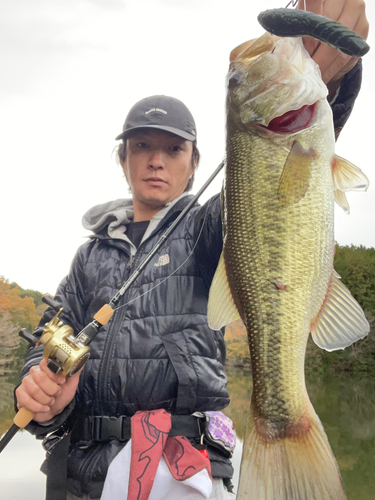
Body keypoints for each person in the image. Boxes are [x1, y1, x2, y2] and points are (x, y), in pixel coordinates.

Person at [15, 1, 369, 498]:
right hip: (79, 475)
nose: (157, 160)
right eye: (142, 146)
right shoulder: (88, 257)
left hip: (177, 470)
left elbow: (274, 198)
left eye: (173, 148)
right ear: (123, 158)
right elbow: (51, 339)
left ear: (195, 161)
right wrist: (38, 385)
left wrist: (333, 81)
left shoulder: (206, 229)